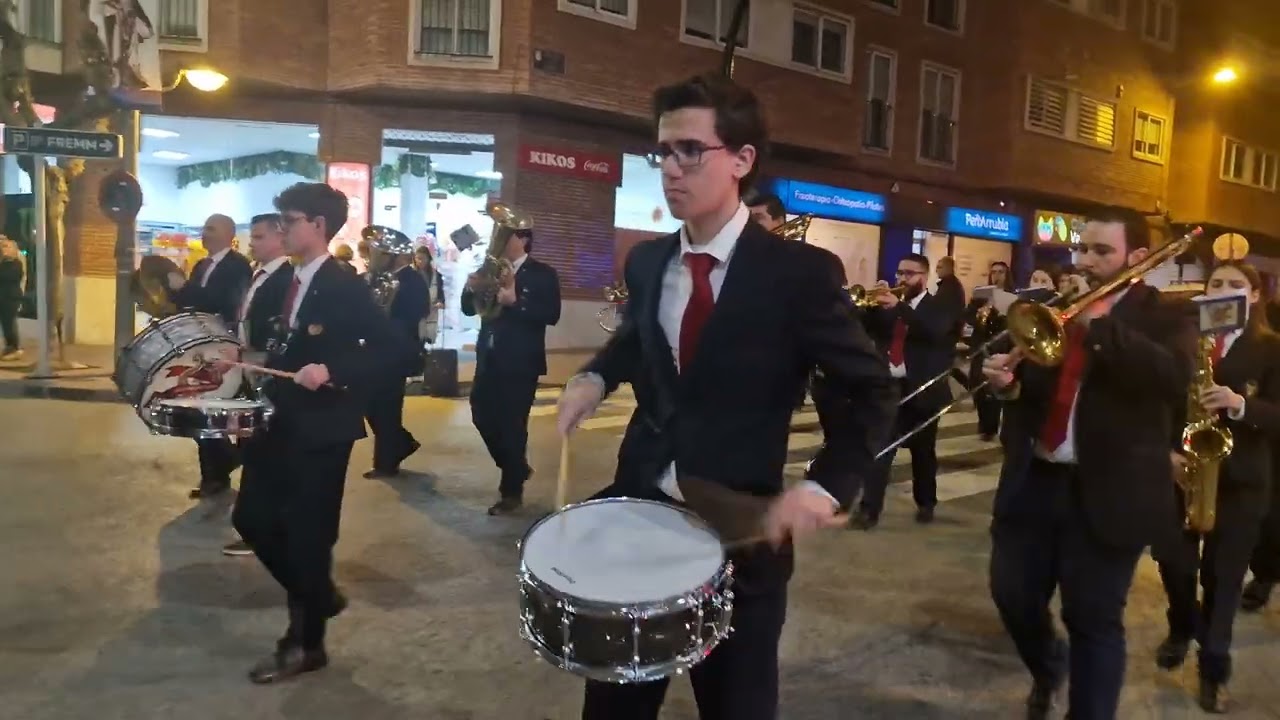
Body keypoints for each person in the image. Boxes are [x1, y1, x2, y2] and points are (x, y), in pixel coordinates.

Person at [556, 72, 897, 720]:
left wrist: (826, 486)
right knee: (613, 707)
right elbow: (638, 338)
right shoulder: (648, 263)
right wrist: (594, 378)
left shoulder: (798, 275)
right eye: (663, 151)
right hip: (643, 516)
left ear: (741, 160)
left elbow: (872, 390)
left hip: (741, 534)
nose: (670, 168)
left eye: (690, 150)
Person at [982, 207, 1195, 719]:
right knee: (1012, 594)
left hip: (1111, 493)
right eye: (1082, 248)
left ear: (1136, 257)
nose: (1086, 260)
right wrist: (1005, 385)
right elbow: (1027, 384)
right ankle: (1048, 666)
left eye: (1102, 251)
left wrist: (1098, 324)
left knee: (1093, 619)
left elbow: (1173, 378)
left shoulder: (1169, 315)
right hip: (1036, 480)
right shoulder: (1054, 305)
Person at [229, 182, 416, 684]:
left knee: (308, 538)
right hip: (276, 419)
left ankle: (305, 644)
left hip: (321, 429)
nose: (281, 230)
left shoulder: (343, 286)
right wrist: (238, 356)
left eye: (289, 221)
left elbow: (396, 351)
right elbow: (276, 342)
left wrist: (332, 370)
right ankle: (319, 596)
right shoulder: (283, 281)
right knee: (251, 519)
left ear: (317, 225)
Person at [1151, 261, 1280, 712]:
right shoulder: (1180, 340)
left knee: (1223, 579)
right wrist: (1165, 453)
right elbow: (1157, 403)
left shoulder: (1272, 347)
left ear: (1255, 296)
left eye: (1235, 284)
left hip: (1242, 478)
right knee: (1174, 564)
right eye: (1216, 283)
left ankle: (1213, 669)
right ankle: (1181, 625)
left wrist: (1241, 404)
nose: (1224, 289)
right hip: (1181, 470)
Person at [853, 253, 959, 529]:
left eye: (909, 274)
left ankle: (926, 503)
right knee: (882, 449)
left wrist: (899, 306)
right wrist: (868, 306)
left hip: (923, 391)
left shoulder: (938, 306)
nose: (901, 279)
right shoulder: (891, 307)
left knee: (923, 452)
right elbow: (866, 328)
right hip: (892, 388)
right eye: (899, 273)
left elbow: (933, 331)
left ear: (924, 277)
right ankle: (868, 510)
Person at [462, 224, 561, 515]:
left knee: (513, 425)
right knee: (480, 413)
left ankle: (511, 492)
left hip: (521, 360)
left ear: (524, 238)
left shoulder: (543, 273)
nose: (500, 239)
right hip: (489, 356)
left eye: (508, 234)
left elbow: (552, 314)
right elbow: (470, 309)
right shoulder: (489, 270)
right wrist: (470, 289)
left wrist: (516, 302)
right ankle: (516, 467)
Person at [220, 214, 295, 557]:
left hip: (267, 369)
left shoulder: (286, 278)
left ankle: (261, 529)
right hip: (249, 365)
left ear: (280, 239)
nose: (253, 243)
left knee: (263, 453)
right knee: (252, 447)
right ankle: (255, 523)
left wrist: (258, 358)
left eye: (260, 237)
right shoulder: (259, 274)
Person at [170, 214, 253, 508]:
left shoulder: (237, 266)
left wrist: (184, 288)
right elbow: (190, 303)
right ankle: (214, 474)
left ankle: (222, 467)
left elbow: (222, 302)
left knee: (214, 407)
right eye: (204, 228)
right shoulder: (201, 265)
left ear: (229, 234)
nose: (204, 233)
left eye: (211, 228)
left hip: (223, 346)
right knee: (198, 407)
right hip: (200, 342)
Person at [363, 249, 427, 478]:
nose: (377, 257)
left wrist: (385, 315)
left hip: (397, 352)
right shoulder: (382, 278)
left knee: (388, 408)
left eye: (382, 253)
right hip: (377, 350)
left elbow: (417, 312)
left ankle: (386, 463)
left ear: (396, 255)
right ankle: (401, 444)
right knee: (372, 404)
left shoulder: (412, 279)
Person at [964, 261, 1013, 440]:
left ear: (1007, 275)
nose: (997, 276)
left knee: (991, 388)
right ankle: (983, 421)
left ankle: (990, 427)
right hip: (980, 345)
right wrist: (977, 313)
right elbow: (967, 316)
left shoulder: (1011, 296)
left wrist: (1000, 314)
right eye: (993, 272)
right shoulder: (981, 295)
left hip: (998, 347)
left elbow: (1012, 324)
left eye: (1000, 272)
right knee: (975, 384)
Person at [0, 236, 25, 361]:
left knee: (10, 323)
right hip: (3, 297)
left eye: (6, 247)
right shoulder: (3, 263)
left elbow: (9, 277)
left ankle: (15, 348)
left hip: (11, 297)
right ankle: (9, 346)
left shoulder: (16, 264)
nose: (3, 249)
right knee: (5, 324)